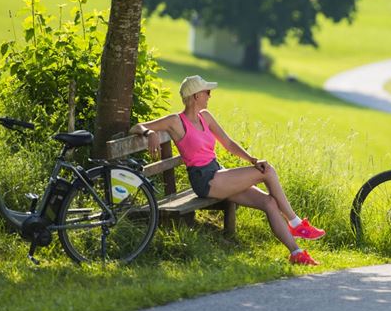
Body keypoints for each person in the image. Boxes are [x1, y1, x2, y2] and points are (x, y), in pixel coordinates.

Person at [130, 75, 325, 266]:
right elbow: (136, 127)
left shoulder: (205, 117)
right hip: (205, 179)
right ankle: (296, 223)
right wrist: (150, 132)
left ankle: (296, 253)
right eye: (207, 92)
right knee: (267, 171)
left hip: (218, 174)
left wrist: (252, 159)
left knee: (269, 202)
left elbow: (228, 143)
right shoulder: (175, 121)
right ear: (196, 96)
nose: (209, 96)